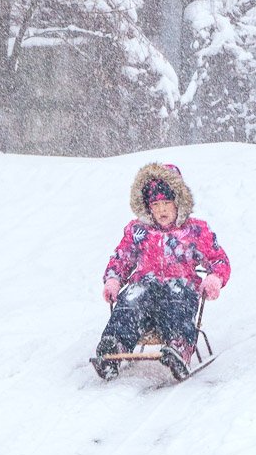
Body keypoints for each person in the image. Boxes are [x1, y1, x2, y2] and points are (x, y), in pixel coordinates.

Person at [93, 162, 230, 381]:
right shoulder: (138, 231)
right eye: (156, 204)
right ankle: (113, 346)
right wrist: (113, 280)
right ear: (147, 207)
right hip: (146, 291)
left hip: (179, 288)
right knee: (131, 299)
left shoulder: (195, 231)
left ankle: (178, 345)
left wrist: (214, 278)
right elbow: (122, 258)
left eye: (167, 202)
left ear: (179, 202)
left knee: (179, 298)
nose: (162, 209)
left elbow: (218, 259)